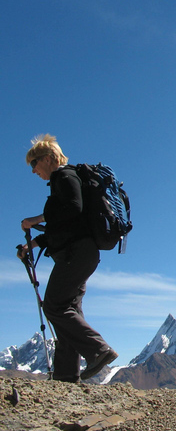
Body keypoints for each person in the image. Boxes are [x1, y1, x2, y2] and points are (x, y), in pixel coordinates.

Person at [18, 134, 118, 382]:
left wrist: (37, 219)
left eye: (34, 163)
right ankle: (65, 376)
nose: (33, 171)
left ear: (49, 158)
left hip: (77, 255)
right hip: (81, 254)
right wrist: (32, 244)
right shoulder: (64, 179)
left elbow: (74, 208)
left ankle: (99, 351)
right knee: (69, 311)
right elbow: (67, 225)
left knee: (54, 305)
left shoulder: (64, 176)